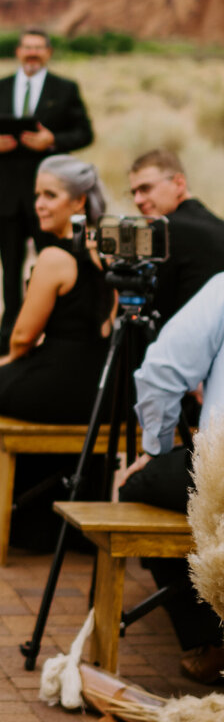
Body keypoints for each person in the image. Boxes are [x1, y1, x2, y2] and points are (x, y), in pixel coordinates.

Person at [0, 157, 112, 554]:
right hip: (102, 387)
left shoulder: (55, 258)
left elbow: (21, 336)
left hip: (60, 378)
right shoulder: (108, 251)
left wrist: (10, 360)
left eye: (50, 195)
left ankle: (15, 518)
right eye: (37, 194)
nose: (39, 203)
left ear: (79, 202)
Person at [117, 272, 224, 683]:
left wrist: (155, 450)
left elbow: (160, 373)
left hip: (218, 474)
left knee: (136, 487)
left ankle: (209, 639)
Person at [0, 29, 94, 358]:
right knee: (10, 270)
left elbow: (85, 132)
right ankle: (8, 336)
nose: (32, 53)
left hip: (50, 199)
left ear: (49, 53)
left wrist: (51, 141)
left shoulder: (65, 89)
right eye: (27, 47)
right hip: (6, 194)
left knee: (51, 264)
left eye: (39, 48)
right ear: (18, 51)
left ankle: (51, 336)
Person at [128, 149, 224, 325]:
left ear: (179, 183)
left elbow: (154, 305)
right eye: (133, 192)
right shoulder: (218, 225)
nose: (138, 200)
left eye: (145, 188)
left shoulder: (162, 230)